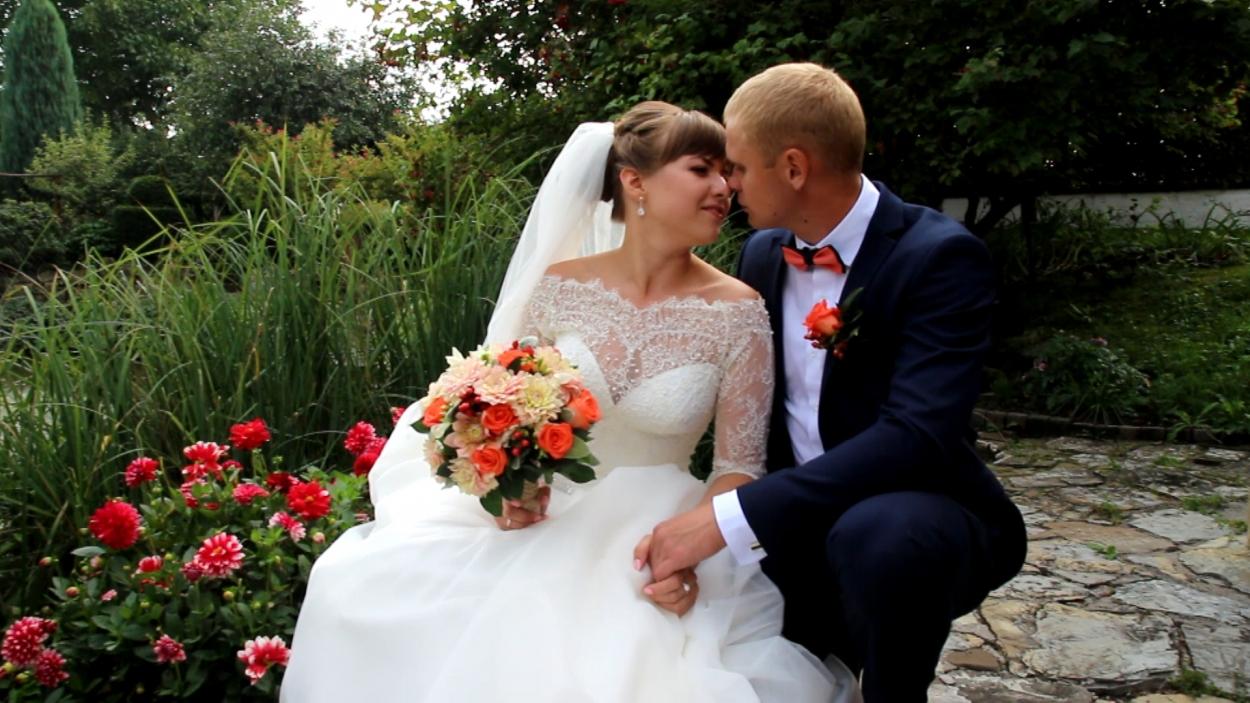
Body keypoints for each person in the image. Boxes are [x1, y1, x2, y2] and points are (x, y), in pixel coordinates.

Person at [280, 102, 858, 702]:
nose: (724, 187)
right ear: (634, 181)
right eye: (701, 169)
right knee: (388, 607)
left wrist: (689, 553)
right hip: (548, 517)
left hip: (657, 536)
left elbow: (738, 466)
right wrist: (507, 492)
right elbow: (496, 406)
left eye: (725, 171)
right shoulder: (559, 287)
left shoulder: (739, 310)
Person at [637, 63, 1029, 702]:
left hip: (917, 512)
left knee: (879, 538)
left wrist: (731, 519)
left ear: (794, 168)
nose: (729, 184)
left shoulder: (938, 256)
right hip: (798, 516)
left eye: (738, 166)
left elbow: (918, 435)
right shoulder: (763, 255)